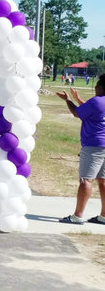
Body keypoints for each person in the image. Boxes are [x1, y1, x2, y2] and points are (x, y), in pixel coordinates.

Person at [56, 74, 105, 225]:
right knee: (103, 181)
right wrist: (78, 99)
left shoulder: (96, 101)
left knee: (86, 180)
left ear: (101, 87)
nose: (95, 88)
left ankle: (77, 216)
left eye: (96, 85)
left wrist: (68, 100)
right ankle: (103, 216)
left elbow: (77, 113)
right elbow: (91, 112)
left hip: (93, 145)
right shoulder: (99, 103)